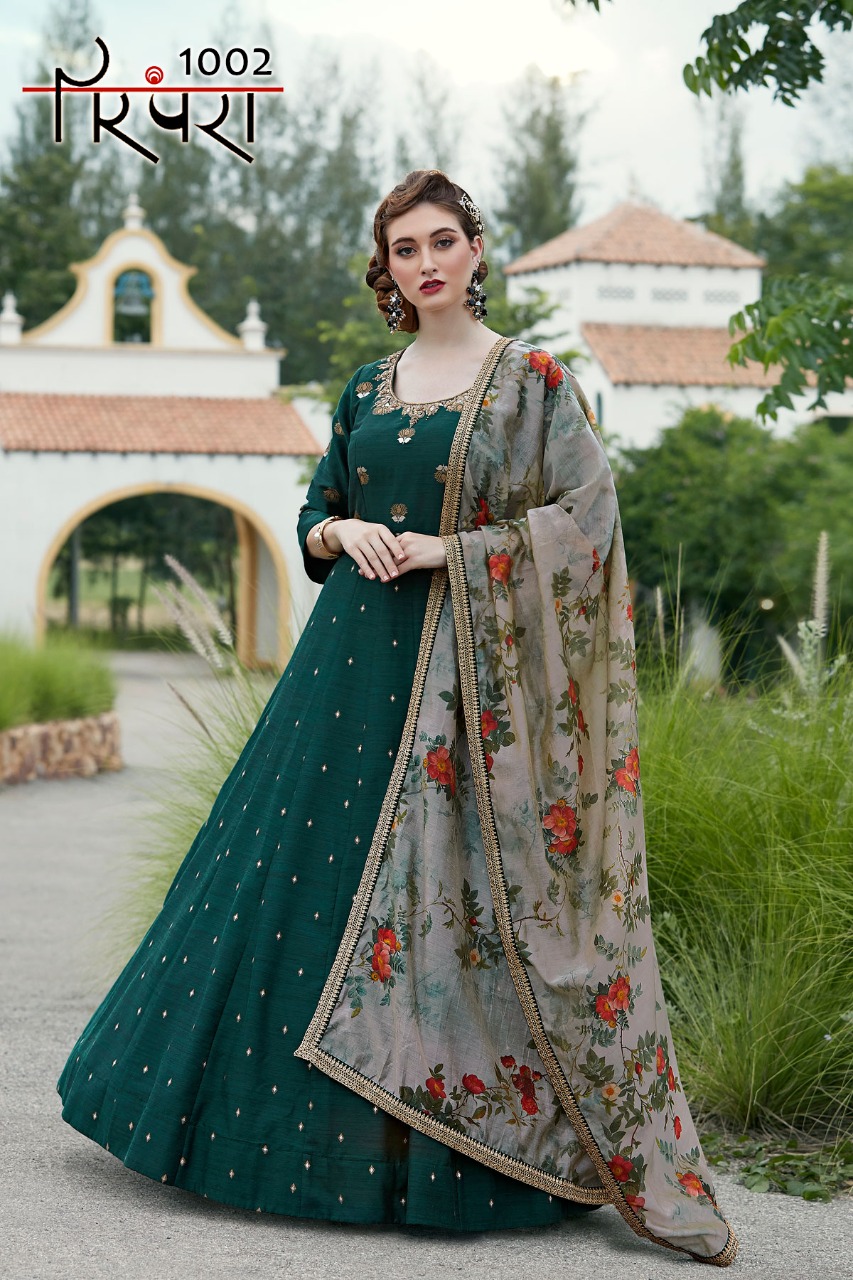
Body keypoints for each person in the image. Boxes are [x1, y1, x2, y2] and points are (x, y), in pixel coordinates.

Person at [57, 170, 738, 1267]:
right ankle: (255, 1140)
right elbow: (316, 507)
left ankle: (446, 1154)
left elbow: (588, 522)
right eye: (403, 248)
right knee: (286, 881)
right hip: (344, 671)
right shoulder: (368, 386)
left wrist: (451, 550)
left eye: (441, 241)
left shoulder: (532, 384)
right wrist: (340, 535)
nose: (424, 263)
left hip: (465, 683)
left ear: (476, 249)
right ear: (387, 267)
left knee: (448, 896)